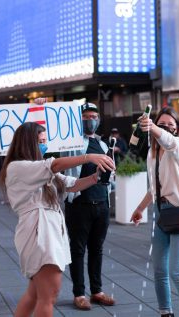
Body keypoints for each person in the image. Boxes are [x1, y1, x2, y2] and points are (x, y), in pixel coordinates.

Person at [0, 121, 115, 317]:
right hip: (39, 232)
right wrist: (88, 157)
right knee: (49, 296)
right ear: (27, 143)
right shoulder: (19, 167)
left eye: (45, 141)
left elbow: (72, 184)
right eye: (40, 142)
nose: (44, 145)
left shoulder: (38, 169)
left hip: (46, 230)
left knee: (35, 294)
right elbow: (55, 165)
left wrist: (96, 177)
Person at [131, 107, 179, 317]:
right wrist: (140, 208)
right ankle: (165, 313)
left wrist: (153, 127)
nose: (166, 127)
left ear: (177, 129)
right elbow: (154, 187)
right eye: (162, 123)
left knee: (177, 272)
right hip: (161, 215)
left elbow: (168, 141)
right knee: (159, 271)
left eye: (171, 125)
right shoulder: (152, 153)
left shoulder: (178, 145)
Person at [61, 102, 116, 310]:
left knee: (97, 249)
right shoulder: (70, 144)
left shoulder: (103, 145)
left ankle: (96, 291)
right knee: (77, 250)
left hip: (101, 204)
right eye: (85, 117)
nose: (90, 120)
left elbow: (110, 172)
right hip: (79, 204)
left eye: (93, 116)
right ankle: (79, 293)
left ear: (99, 119)